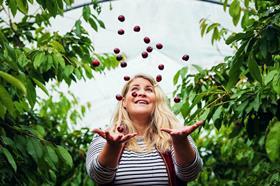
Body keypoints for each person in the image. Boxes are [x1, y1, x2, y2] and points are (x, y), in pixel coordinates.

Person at [86, 74, 203, 185]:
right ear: (124, 102)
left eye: (149, 90)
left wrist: (180, 142)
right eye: (135, 89)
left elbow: (190, 174)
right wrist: (113, 147)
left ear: (156, 101)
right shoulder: (106, 137)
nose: (142, 93)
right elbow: (98, 177)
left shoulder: (175, 135)